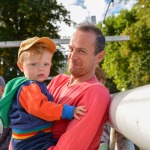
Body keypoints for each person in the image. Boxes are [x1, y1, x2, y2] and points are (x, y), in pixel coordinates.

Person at [1, 37, 86, 150]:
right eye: (34, 64)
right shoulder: (28, 87)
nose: (41, 68)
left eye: (45, 64)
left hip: (33, 137)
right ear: (21, 66)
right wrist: (67, 111)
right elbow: (40, 108)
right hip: (31, 141)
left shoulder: (33, 85)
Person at [46, 22, 111, 150]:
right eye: (71, 49)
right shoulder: (58, 81)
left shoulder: (95, 92)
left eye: (81, 51)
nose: (72, 56)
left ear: (100, 56)